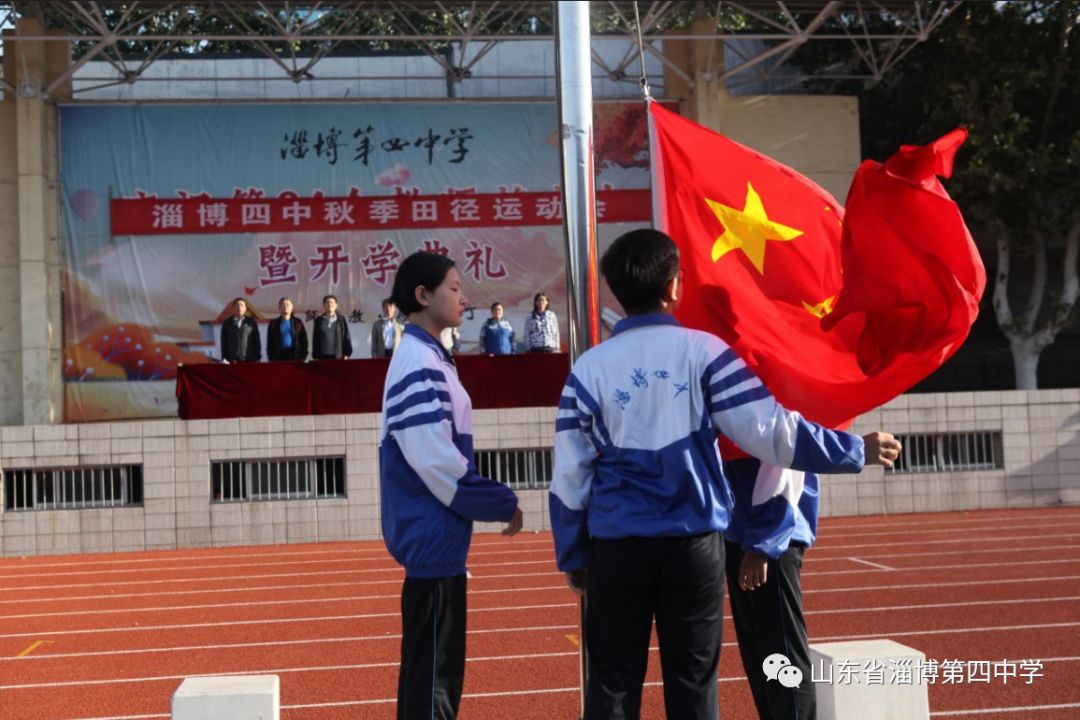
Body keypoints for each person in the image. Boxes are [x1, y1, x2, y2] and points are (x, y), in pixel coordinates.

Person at [548, 228, 900, 720]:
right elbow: (771, 431)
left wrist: (572, 552)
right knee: (693, 685)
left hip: (616, 548)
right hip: (692, 548)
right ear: (674, 287)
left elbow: (569, 473)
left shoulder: (589, 369)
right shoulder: (706, 353)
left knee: (611, 684)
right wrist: (851, 450)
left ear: (616, 291)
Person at [380, 251, 525, 720]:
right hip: (432, 541)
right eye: (454, 288)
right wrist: (499, 501)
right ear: (422, 296)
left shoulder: (429, 357)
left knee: (431, 680)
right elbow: (437, 461)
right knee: (433, 686)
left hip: (437, 541)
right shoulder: (418, 362)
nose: (464, 298)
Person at [723, 457, 823, 720]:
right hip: (739, 531)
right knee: (761, 659)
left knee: (782, 657)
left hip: (773, 538)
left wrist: (764, 542)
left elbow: (784, 456)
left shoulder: (781, 414)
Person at [266, 297, 308, 362]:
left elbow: (304, 340)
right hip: (279, 356)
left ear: (292, 307)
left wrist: (303, 356)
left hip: (294, 355)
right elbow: (270, 342)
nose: (285, 307)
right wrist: (271, 358)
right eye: (283, 305)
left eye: (288, 305)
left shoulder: (297, 322)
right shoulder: (273, 323)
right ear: (279, 308)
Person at [311, 294, 352, 360]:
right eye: (327, 302)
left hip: (338, 356)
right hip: (322, 356)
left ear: (336, 305)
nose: (330, 305)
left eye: (332, 302)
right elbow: (315, 339)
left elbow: (346, 336)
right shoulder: (319, 320)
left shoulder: (341, 320)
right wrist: (315, 355)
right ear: (324, 305)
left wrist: (347, 353)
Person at [219, 297, 261, 363]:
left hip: (249, 361)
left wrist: (257, 357)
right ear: (233, 308)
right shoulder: (227, 324)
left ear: (246, 308)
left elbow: (256, 341)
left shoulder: (251, 323)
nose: (239, 308)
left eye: (241, 305)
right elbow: (224, 342)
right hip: (232, 361)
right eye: (236, 306)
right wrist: (224, 358)